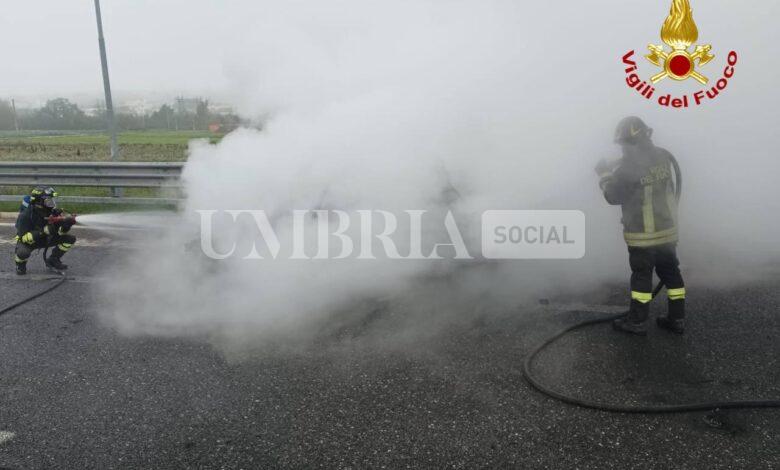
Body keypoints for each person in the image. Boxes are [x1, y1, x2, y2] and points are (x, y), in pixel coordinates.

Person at [596, 116, 686, 335]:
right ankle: (677, 319)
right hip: (667, 231)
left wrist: (605, 175)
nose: (622, 149)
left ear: (631, 142)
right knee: (671, 274)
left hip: (642, 236)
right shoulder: (664, 157)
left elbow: (613, 196)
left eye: (624, 144)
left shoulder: (627, 169)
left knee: (642, 278)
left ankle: (636, 322)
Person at [14, 186, 77, 275]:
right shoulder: (25, 216)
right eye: (49, 200)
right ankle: (20, 265)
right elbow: (23, 238)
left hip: (47, 239)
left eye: (52, 200)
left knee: (70, 239)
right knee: (22, 252)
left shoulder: (51, 212)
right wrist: (44, 231)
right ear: (39, 201)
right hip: (31, 242)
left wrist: (67, 225)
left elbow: (61, 232)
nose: (52, 203)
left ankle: (53, 259)